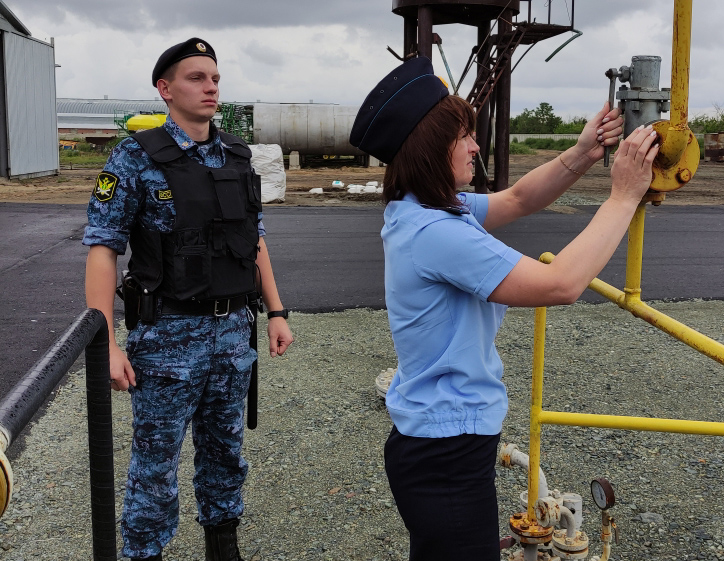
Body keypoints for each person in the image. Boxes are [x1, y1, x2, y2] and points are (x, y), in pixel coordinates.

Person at [349, 56, 660, 560]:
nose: (476, 146)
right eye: (464, 136)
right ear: (430, 147)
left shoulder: (424, 206)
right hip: (444, 452)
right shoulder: (436, 231)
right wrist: (623, 195)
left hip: (438, 444)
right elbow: (560, 284)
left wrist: (583, 152)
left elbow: (516, 199)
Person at [83, 38, 294, 561]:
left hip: (231, 335)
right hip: (167, 338)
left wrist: (276, 310)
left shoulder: (237, 157)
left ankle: (223, 548)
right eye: (196, 77)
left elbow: (255, 239)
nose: (211, 86)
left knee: (226, 454)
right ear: (165, 89)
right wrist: (107, 343)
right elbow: (103, 249)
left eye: (215, 77)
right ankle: (143, 553)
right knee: (154, 467)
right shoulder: (134, 158)